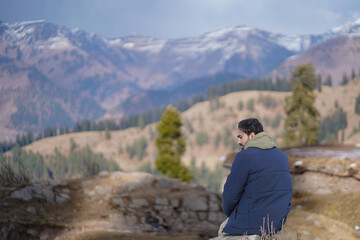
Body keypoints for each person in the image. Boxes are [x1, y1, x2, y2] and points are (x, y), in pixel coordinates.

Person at [219, 118, 293, 237]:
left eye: (240, 137)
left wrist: (230, 214)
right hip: (275, 224)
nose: (238, 142)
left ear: (252, 135)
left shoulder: (244, 157)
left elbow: (230, 195)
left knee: (222, 230)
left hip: (249, 224)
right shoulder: (282, 156)